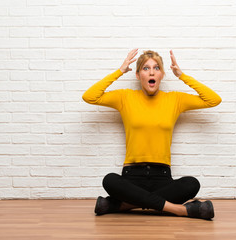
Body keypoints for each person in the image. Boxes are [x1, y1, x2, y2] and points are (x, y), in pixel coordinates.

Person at [82, 49, 222, 220]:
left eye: (156, 68)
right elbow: (90, 97)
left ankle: (123, 205)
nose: (151, 72)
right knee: (109, 180)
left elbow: (213, 100)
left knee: (192, 184)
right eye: (145, 68)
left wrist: (182, 75)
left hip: (162, 177)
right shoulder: (125, 97)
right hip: (131, 176)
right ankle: (181, 210)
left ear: (162, 74)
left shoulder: (175, 99)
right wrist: (120, 71)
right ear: (138, 74)